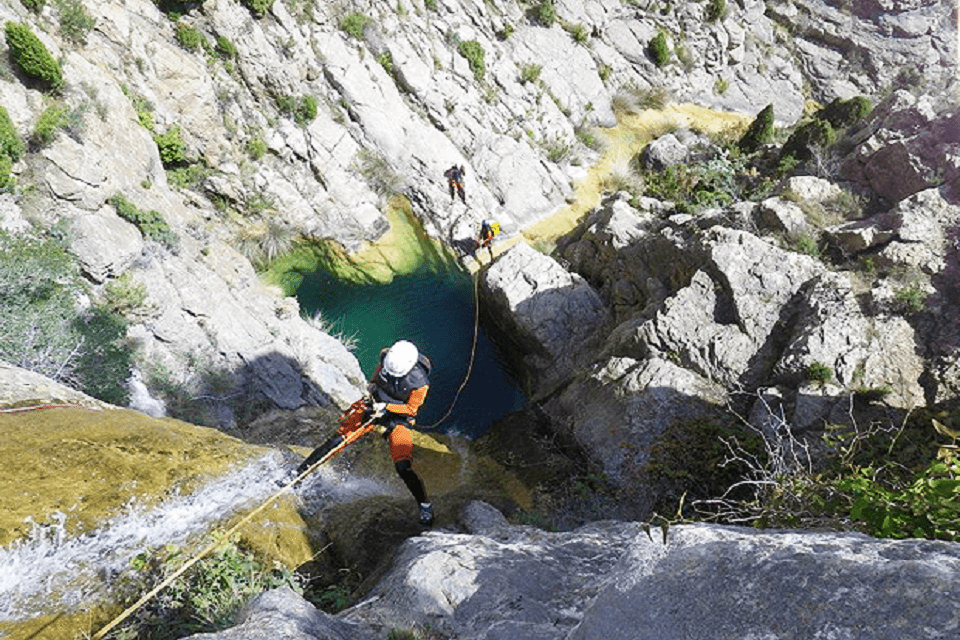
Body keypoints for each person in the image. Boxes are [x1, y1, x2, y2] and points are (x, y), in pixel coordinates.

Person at [296, 340, 435, 526]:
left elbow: (411, 409)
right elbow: (377, 377)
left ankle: (424, 504)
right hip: (374, 405)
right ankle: (298, 475)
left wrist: (386, 407)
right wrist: (371, 387)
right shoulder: (388, 358)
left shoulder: (420, 384)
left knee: (403, 466)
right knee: (336, 442)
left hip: (397, 417)